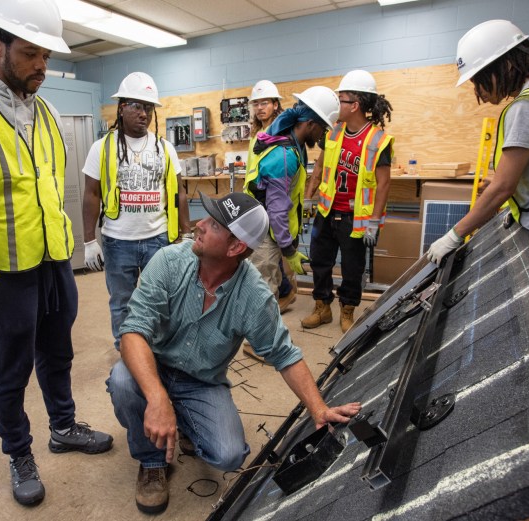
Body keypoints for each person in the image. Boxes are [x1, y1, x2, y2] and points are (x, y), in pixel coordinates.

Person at [0, 0, 112, 506]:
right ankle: (18, 452)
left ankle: (64, 425)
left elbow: (52, 189)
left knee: (58, 353)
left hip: (54, 259)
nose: (41, 67)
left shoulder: (48, 112)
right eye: (31, 54)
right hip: (3, 271)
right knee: (10, 369)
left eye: (46, 57)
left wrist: (77, 247)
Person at [106, 192, 361, 515]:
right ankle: (152, 461)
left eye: (213, 224)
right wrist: (157, 398)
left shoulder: (254, 296)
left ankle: (181, 419)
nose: (199, 225)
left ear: (234, 247)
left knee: (228, 455)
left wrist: (318, 408)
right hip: (152, 364)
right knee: (123, 381)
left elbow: (284, 355)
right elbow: (132, 332)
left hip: (201, 381)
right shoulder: (169, 261)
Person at [428, 19, 529, 302]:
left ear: (506, 66)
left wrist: (454, 235)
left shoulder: (527, 106)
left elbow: (502, 188)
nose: (479, 91)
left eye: (479, 79)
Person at [81, 71, 191, 350]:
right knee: (122, 303)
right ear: (121, 107)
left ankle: (159, 348)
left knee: (163, 299)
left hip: (159, 238)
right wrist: (89, 240)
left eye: (149, 107)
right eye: (137, 106)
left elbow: (179, 193)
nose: (144, 114)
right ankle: (127, 351)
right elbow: (91, 194)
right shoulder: (102, 148)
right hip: (118, 242)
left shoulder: (165, 148)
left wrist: (186, 234)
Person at [302, 70, 394, 333]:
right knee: (320, 261)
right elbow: (319, 165)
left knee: (353, 267)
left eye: (340, 99)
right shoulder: (332, 132)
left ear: (355, 105)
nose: (336, 104)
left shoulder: (378, 140)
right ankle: (322, 308)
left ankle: (347, 310)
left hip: (356, 217)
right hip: (327, 210)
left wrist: (375, 221)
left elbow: (384, 183)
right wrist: (310, 197)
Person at [244, 86, 340, 303]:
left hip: (269, 231)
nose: (323, 135)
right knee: (262, 295)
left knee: (271, 290)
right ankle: (258, 337)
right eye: (322, 129)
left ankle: (268, 334)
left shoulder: (294, 146)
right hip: (265, 236)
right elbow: (276, 210)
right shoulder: (285, 156)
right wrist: (289, 250)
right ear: (309, 124)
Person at [245, 79, 297, 315]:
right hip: (256, 207)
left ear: (276, 104)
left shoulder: (281, 133)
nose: (259, 108)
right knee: (267, 265)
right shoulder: (258, 133)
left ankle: (266, 325)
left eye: (264, 102)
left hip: (272, 204)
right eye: (256, 104)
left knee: (264, 268)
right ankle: (285, 291)